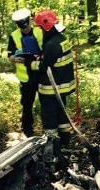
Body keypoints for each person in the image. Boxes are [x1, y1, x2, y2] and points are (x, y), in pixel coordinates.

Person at [34, 9, 75, 147]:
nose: (39, 29)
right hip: (62, 87)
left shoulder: (52, 44)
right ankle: (65, 143)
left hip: (50, 89)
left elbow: (43, 66)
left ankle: (52, 147)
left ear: (45, 26)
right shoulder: (62, 39)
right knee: (62, 116)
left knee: (50, 118)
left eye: (39, 27)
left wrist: (31, 62)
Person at [7, 8, 44, 137]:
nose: (25, 29)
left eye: (27, 26)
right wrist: (14, 59)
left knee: (46, 103)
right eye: (22, 28)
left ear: (30, 21)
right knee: (27, 105)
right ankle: (27, 131)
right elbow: (10, 54)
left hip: (41, 75)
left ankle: (49, 128)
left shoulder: (40, 31)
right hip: (26, 78)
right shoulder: (14, 35)